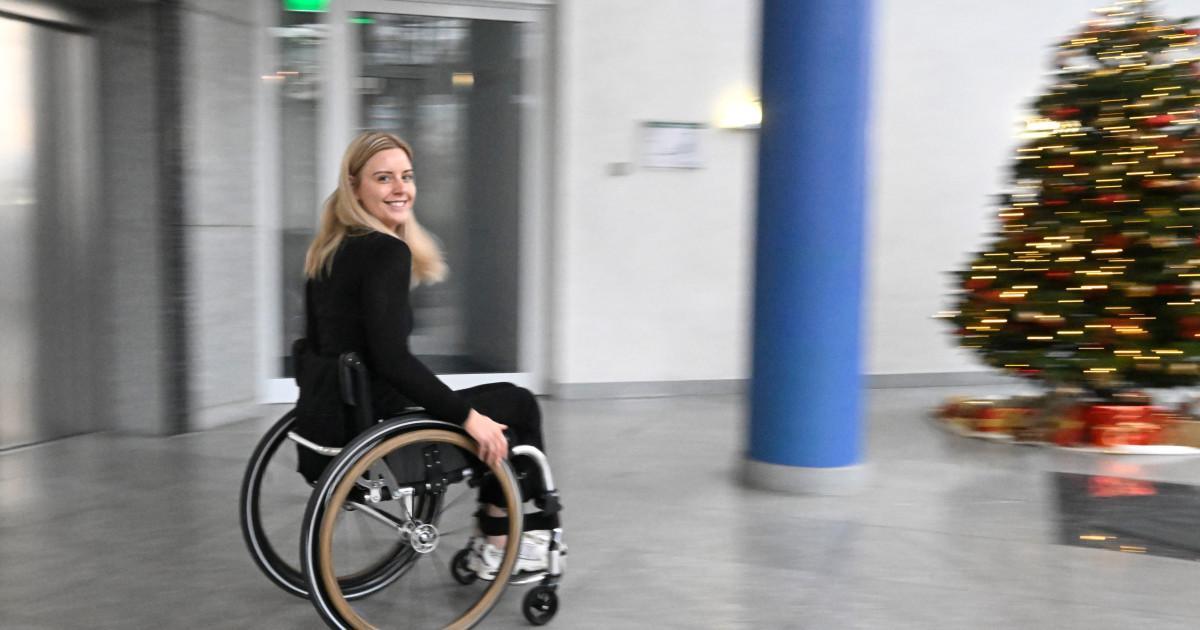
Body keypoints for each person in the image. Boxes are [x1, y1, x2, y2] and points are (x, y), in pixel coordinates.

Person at [293, 130, 548, 579]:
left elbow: (314, 347)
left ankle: (491, 534)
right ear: (354, 186)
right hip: (383, 424)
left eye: (407, 176)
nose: (400, 189)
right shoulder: (386, 252)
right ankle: (497, 542)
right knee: (518, 405)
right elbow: (393, 362)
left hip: (339, 421)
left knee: (493, 398)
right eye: (383, 178)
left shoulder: (327, 252)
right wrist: (469, 418)